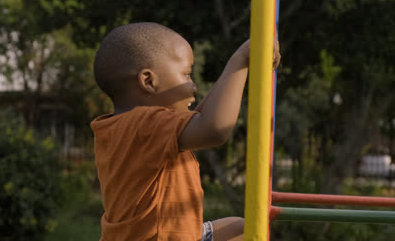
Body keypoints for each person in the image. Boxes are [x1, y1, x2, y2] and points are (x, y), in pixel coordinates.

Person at [91, 22, 280, 241]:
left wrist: (242, 66)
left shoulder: (126, 126)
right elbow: (214, 128)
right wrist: (238, 60)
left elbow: (202, 117)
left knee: (242, 229)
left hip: (169, 233)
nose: (193, 86)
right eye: (186, 74)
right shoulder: (147, 125)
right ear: (149, 81)